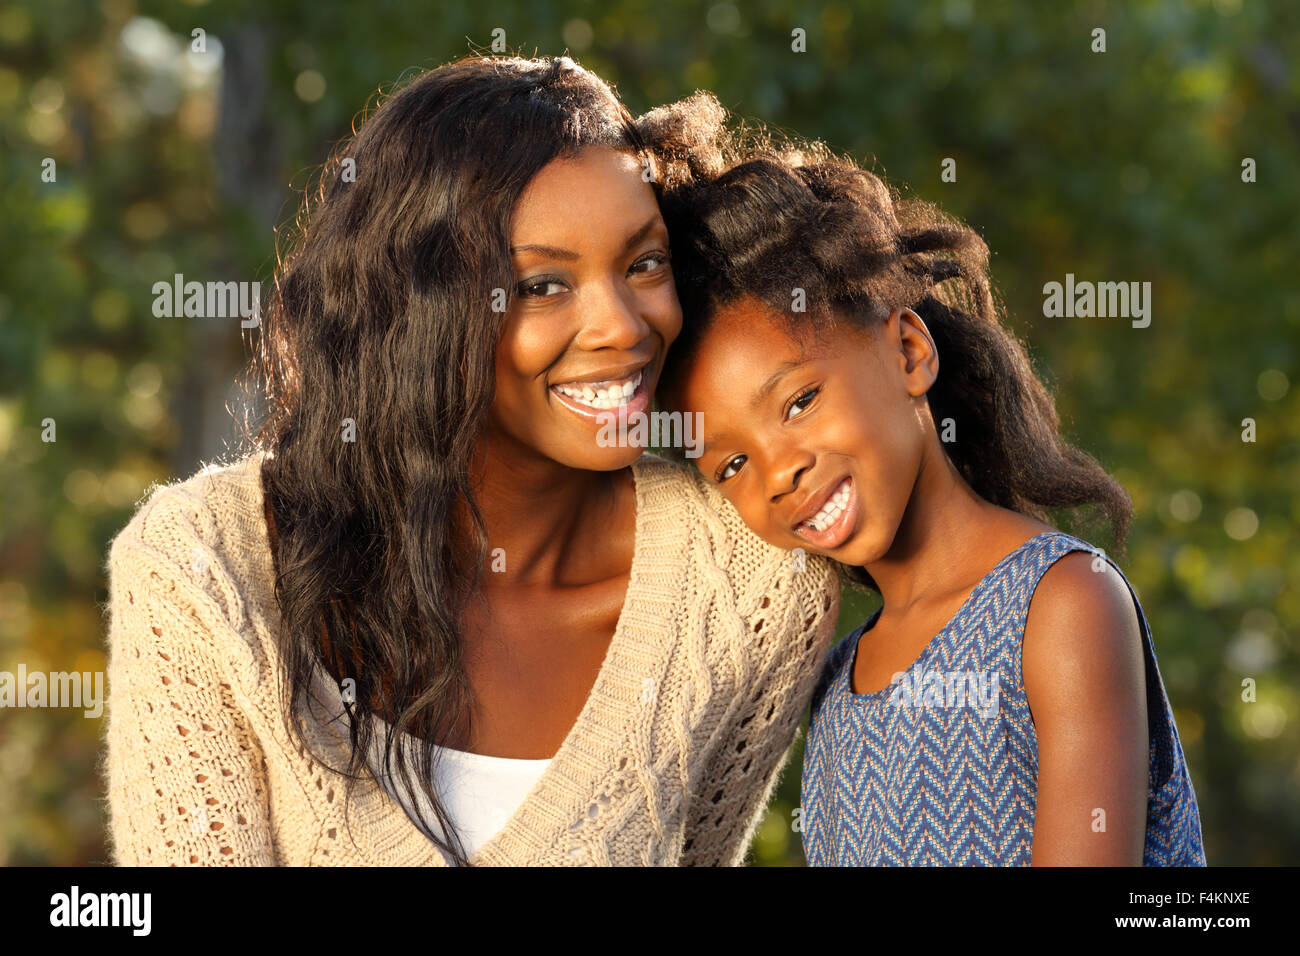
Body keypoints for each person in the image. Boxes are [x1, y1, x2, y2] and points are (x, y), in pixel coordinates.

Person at [102, 55, 840, 866]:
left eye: (644, 263)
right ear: (422, 314)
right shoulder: (204, 567)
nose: (623, 327)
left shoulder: (749, 579)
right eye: (541, 286)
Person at [655, 119, 1206, 865]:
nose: (777, 471)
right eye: (729, 467)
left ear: (909, 352)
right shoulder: (835, 682)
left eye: (797, 403)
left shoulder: (1064, 603)